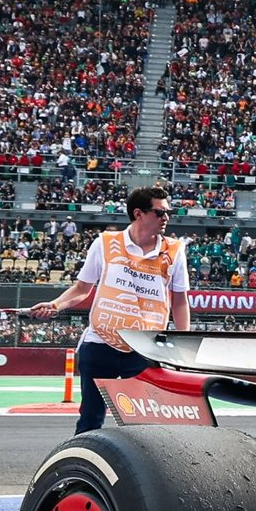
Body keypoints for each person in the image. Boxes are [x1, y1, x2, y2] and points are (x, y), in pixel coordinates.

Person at [32, 184, 192, 431]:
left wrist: (182, 343)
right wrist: (55, 305)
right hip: (100, 344)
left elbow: (180, 300)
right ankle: (84, 466)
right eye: (159, 212)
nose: (166, 218)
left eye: (168, 212)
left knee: (144, 423)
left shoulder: (174, 250)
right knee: (91, 418)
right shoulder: (105, 243)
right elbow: (82, 289)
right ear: (138, 213)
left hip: (145, 346)